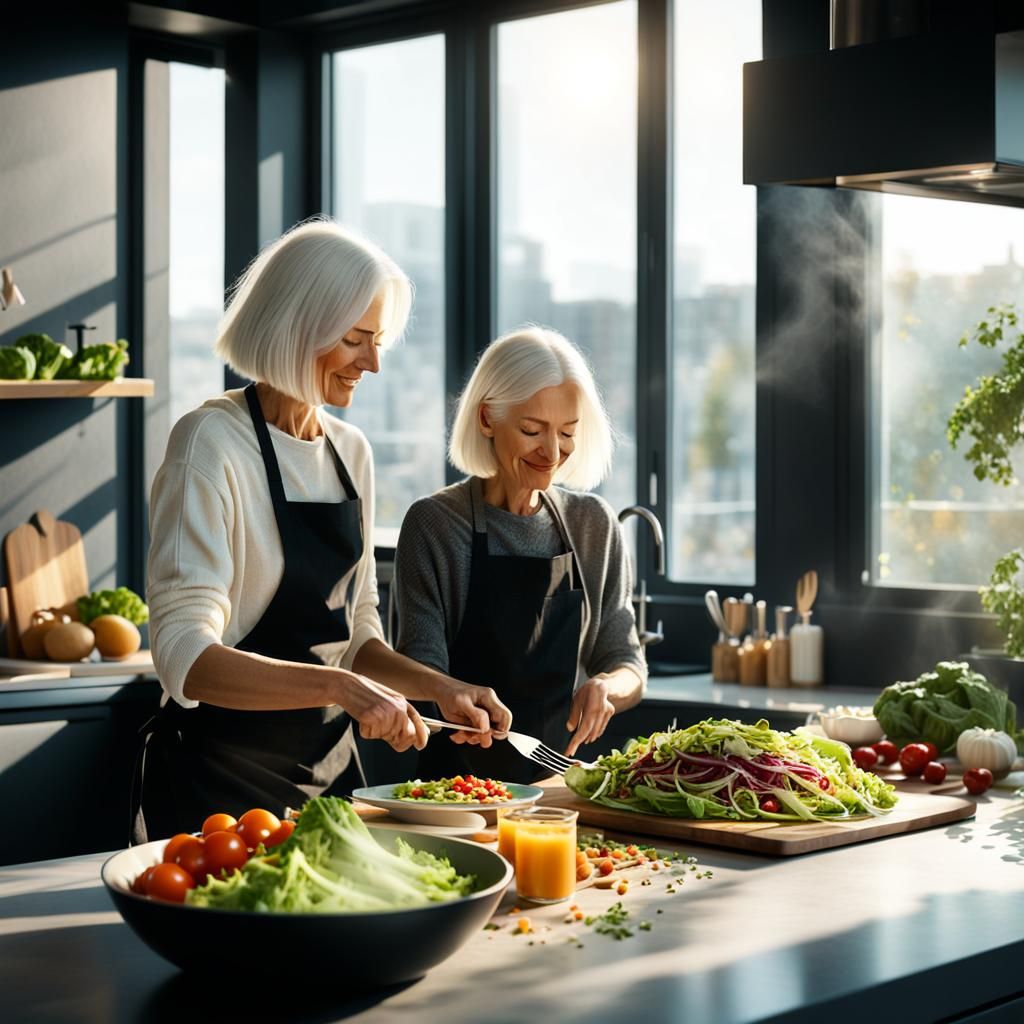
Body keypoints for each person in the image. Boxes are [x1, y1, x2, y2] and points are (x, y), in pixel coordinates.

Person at [133, 219, 510, 841]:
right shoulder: (208, 444)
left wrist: (440, 688)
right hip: (218, 797)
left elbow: (356, 635)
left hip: (331, 785)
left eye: (378, 340)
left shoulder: (350, 452)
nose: (375, 363)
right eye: (358, 339)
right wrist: (341, 687)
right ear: (298, 327)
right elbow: (185, 658)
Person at [394, 326, 646, 784]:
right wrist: (454, 701)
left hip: (559, 790)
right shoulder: (434, 524)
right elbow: (419, 670)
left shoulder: (593, 524)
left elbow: (627, 659)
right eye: (532, 430)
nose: (552, 453)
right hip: (454, 793)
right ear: (488, 419)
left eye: (567, 433)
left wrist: (606, 686)